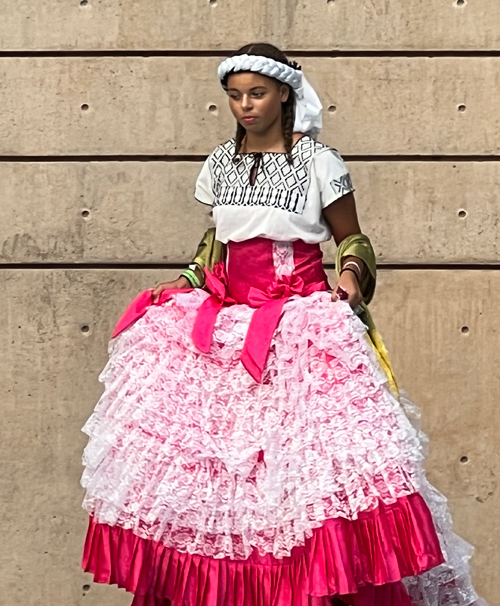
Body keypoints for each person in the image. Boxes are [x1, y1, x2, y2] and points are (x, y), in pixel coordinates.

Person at [80, 43, 486, 606]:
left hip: (297, 324)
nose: (246, 105)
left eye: (258, 93)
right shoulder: (221, 162)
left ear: (284, 95)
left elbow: (354, 240)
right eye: (235, 95)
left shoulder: (320, 163)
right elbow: (216, 243)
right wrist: (188, 279)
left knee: (308, 485)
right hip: (225, 325)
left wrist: (348, 280)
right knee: (223, 488)